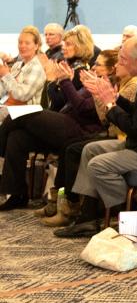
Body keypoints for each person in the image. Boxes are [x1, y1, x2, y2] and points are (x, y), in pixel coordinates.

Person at [54, 35, 137, 237]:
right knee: (90, 150)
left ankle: (128, 215)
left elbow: (134, 128)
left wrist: (109, 104)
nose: (119, 63)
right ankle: (87, 218)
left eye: (123, 59)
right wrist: (116, 98)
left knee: (99, 164)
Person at [42, 49, 137, 227]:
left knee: (75, 149)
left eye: (99, 64)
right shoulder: (119, 83)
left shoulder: (133, 85)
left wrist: (70, 83)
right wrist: (97, 93)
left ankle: (74, 208)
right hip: (111, 133)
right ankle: (63, 203)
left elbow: (104, 117)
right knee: (68, 146)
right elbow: (105, 116)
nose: (94, 67)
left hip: (119, 137)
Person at [0, 52, 104, 211]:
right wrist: (57, 82)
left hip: (81, 131)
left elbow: (83, 108)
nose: (94, 66)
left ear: (110, 69)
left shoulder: (105, 86)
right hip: (63, 121)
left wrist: (66, 82)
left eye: (99, 64)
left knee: (18, 116)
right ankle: (17, 194)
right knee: (17, 137)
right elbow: (61, 101)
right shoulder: (89, 81)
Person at [0, 26, 46, 106]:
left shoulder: (36, 69)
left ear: (36, 46)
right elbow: (4, 91)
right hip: (7, 107)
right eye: (20, 42)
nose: (22, 46)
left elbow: (22, 96)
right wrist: (2, 78)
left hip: (25, 114)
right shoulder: (17, 65)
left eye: (27, 43)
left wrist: (6, 75)